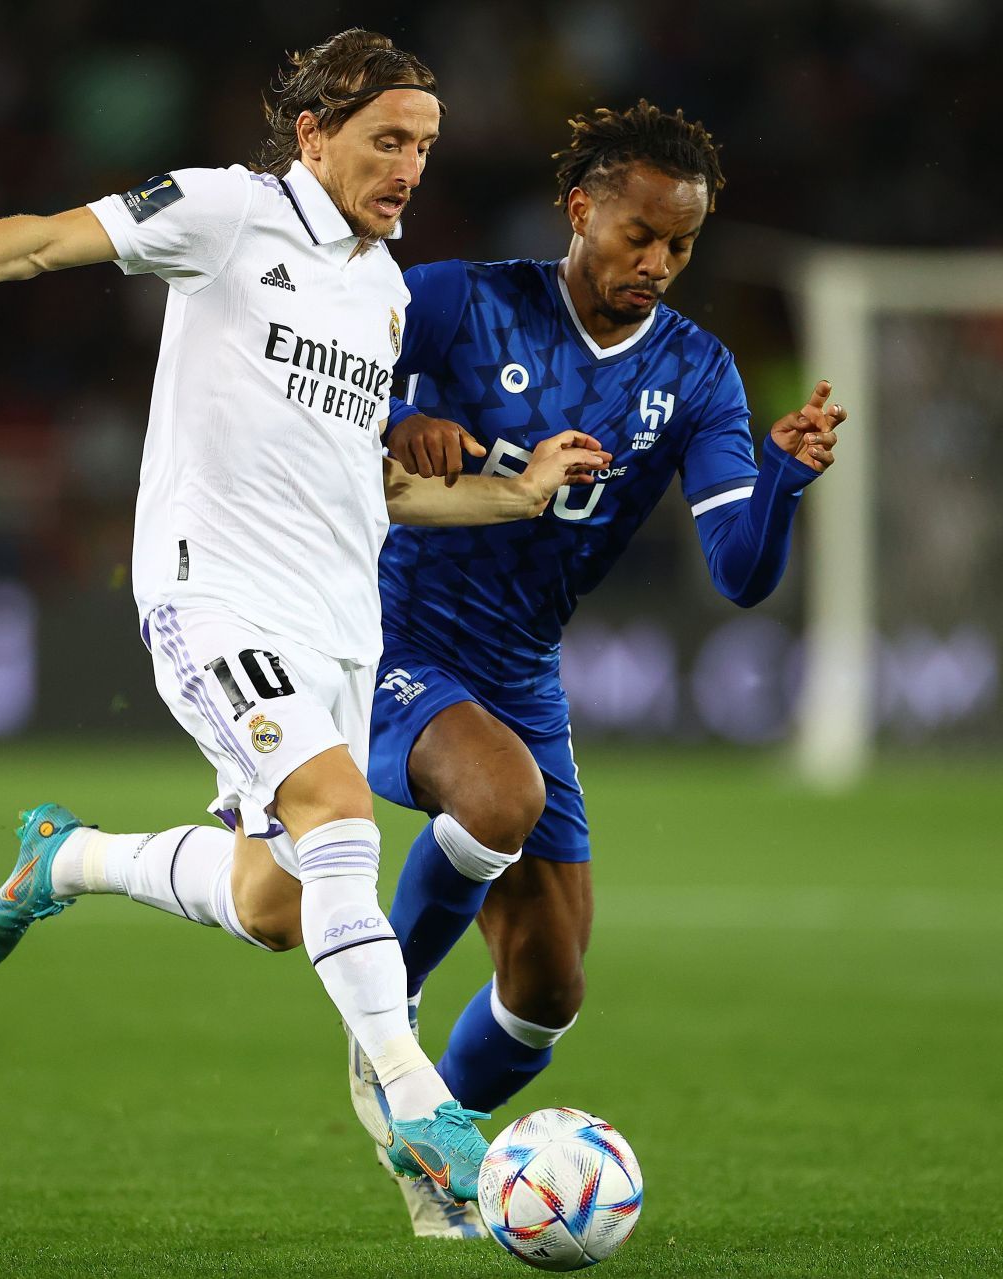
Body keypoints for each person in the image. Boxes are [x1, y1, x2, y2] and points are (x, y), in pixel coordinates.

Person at [0, 30, 608, 1204]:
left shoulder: (380, 295)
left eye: (422, 145)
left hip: (338, 626)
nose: (409, 167)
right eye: (386, 140)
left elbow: (366, 482)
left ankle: (70, 858)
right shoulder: (225, 214)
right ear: (313, 134)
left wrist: (512, 495)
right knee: (338, 809)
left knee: (276, 902)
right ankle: (421, 1107)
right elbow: (41, 243)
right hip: (210, 593)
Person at [351, 100, 849, 1236]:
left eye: (682, 245)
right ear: (581, 209)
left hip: (521, 668)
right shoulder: (457, 302)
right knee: (498, 794)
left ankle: (435, 1163)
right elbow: (308, 402)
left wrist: (779, 481)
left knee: (547, 988)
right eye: (641, 234)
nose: (660, 263)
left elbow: (740, 572)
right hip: (397, 634)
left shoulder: (698, 375)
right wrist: (390, 424)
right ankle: (387, 1023)